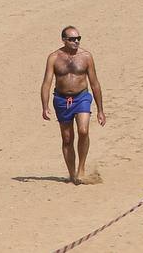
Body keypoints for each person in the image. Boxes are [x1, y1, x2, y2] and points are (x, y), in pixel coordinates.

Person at [40, 27, 106, 185]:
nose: (76, 41)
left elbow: (95, 83)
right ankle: (72, 174)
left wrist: (100, 110)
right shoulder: (54, 58)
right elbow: (46, 83)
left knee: (83, 131)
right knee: (67, 138)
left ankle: (81, 169)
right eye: (72, 39)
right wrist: (45, 106)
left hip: (81, 97)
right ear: (63, 40)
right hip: (62, 100)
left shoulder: (86, 57)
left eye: (78, 38)